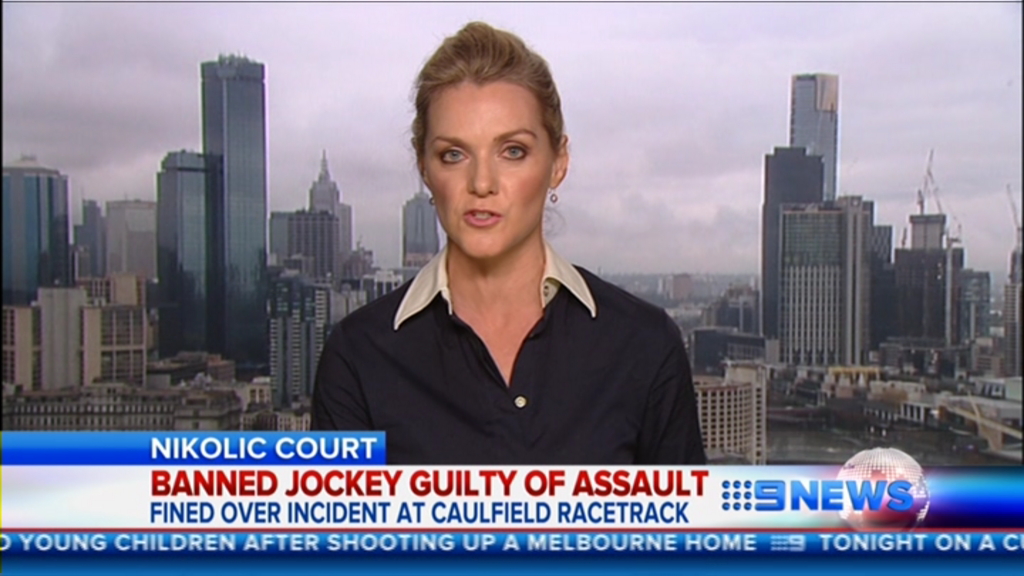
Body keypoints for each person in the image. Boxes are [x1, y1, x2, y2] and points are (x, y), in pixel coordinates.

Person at [311, 21, 705, 465]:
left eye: (513, 151)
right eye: (453, 155)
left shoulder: (644, 345)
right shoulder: (359, 355)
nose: (482, 183)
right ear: (424, 168)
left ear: (558, 163)